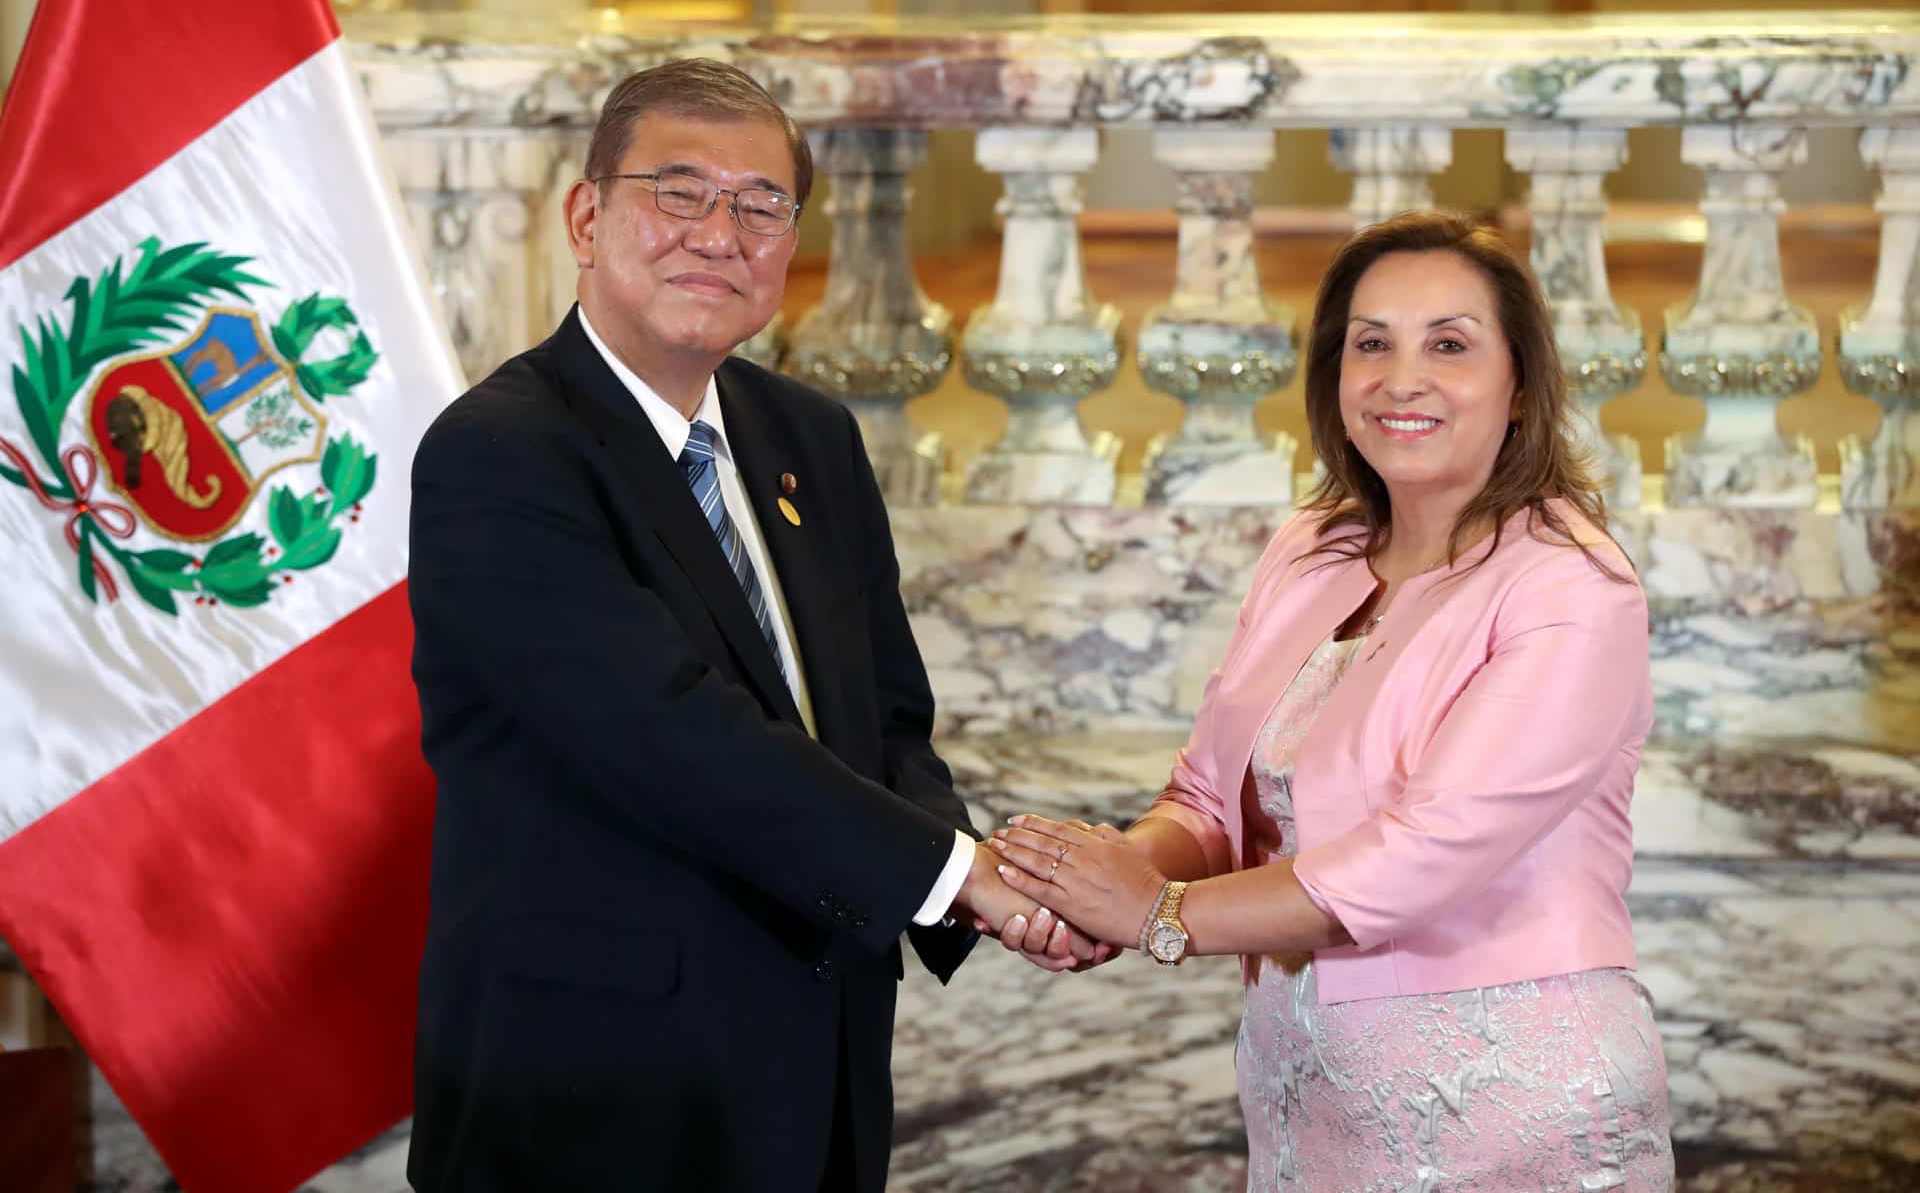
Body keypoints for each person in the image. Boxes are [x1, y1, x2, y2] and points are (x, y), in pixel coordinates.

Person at [404, 58, 1098, 1193]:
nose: (719, 233)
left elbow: (885, 721)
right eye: (678, 192)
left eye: (760, 205)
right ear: (587, 217)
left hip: (814, 1064)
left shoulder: (808, 437)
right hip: (598, 1095)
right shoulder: (503, 452)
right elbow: (670, 732)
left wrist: (993, 885)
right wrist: (958, 876)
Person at [989, 211, 1675, 1190]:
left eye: (1449, 343)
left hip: (1513, 1101)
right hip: (1305, 1094)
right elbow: (1206, 794)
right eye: (1370, 342)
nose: (1402, 377)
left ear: (1520, 382)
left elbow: (1419, 856)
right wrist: (1097, 881)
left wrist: (1159, 911)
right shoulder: (1315, 547)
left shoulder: (1572, 585)